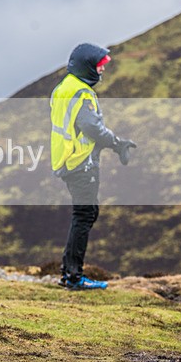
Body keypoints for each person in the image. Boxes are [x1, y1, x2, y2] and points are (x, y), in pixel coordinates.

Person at [50, 43, 137, 290]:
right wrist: (117, 143)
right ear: (87, 67)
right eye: (99, 67)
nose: (102, 72)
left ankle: (69, 272)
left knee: (86, 213)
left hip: (66, 159)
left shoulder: (63, 87)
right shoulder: (83, 93)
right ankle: (74, 277)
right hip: (81, 162)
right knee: (85, 214)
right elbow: (92, 128)